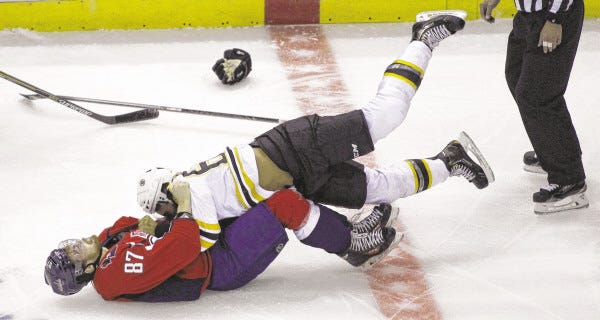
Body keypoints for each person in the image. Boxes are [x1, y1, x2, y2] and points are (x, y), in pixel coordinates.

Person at [137, 11, 495, 267]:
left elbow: (201, 240)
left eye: (161, 207)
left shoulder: (190, 190)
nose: (166, 213)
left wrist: (158, 234)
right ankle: (450, 160)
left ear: (168, 191)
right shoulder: (193, 193)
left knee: (385, 115)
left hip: (295, 148)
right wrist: (161, 229)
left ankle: (422, 39)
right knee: (379, 188)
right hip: (297, 177)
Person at [44, 190, 397, 301]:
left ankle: (346, 230)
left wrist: (156, 222)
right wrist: (182, 207)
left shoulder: (107, 243)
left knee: (271, 189)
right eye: (75, 252)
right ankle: (353, 245)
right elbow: (181, 249)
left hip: (207, 239)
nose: (79, 243)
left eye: (70, 244)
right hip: (221, 265)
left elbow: (131, 225)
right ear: (85, 271)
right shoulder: (112, 278)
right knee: (284, 205)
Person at [479, 0, 588, 214]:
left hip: (555, 15)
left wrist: (555, 18)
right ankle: (554, 150)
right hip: (528, 17)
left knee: (537, 94)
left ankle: (570, 179)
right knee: (517, 78)